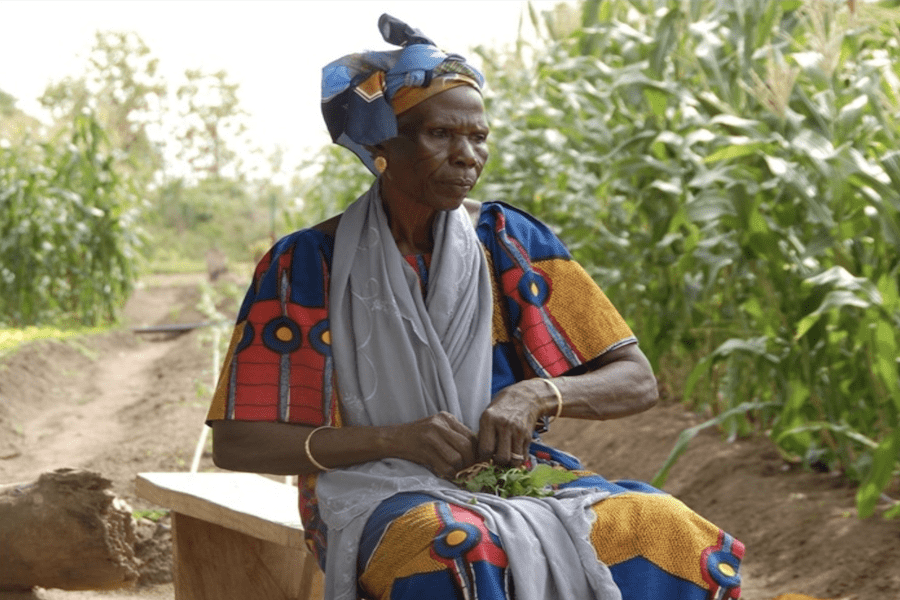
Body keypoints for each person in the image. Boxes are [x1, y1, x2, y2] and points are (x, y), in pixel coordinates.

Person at [207, 14, 744, 600]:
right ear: (384, 145)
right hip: (371, 488)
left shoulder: (509, 243)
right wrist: (395, 440)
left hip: (515, 476)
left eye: (478, 137)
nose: (467, 156)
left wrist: (539, 392)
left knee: (664, 530)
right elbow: (238, 443)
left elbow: (636, 380)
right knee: (452, 546)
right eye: (440, 135)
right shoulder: (305, 266)